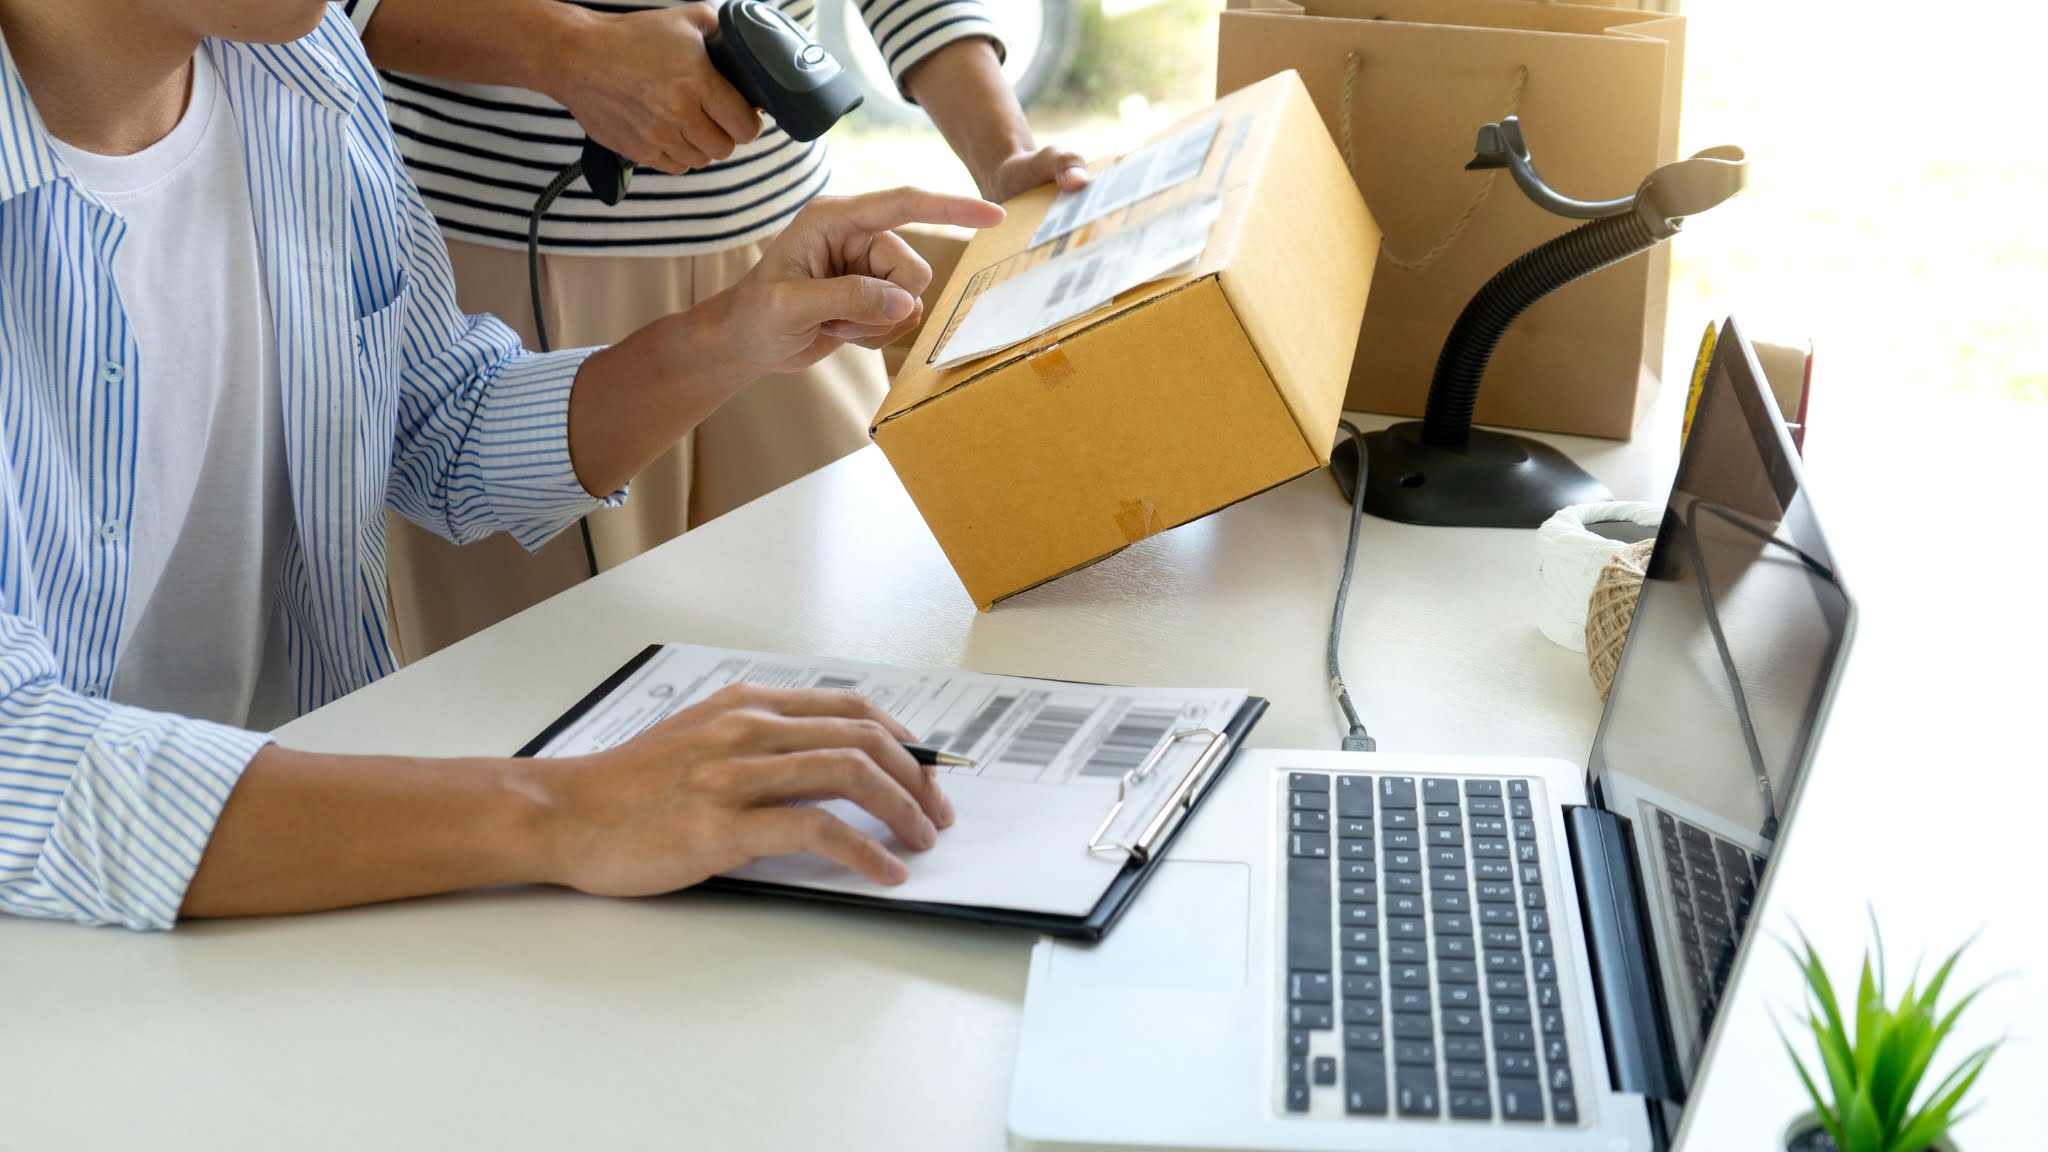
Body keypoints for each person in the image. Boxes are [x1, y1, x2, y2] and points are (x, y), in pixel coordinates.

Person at [0, 0, 1002, 929]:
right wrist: (559, 810)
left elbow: (443, 422)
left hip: (297, 877)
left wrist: (732, 335)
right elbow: (22, 768)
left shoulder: (301, 72)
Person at [342, 0, 1090, 659]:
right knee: (542, 686)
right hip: (511, 273)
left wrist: (1004, 154)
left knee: (866, 646)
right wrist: (564, 45)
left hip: (796, 258)